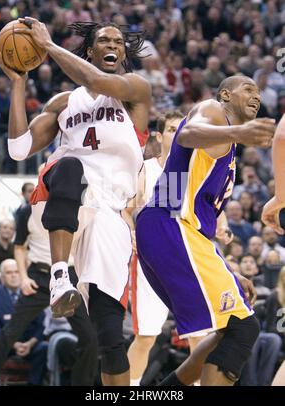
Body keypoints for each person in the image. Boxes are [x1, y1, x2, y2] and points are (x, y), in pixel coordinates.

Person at [0, 19, 151, 386]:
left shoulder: (135, 90)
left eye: (118, 41)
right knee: (69, 165)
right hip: (63, 198)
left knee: (108, 335)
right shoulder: (63, 102)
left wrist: (47, 46)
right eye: (104, 40)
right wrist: (18, 82)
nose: (113, 44)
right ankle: (59, 276)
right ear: (90, 50)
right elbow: (18, 149)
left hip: (109, 212)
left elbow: (97, 82)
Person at [136, 76, 275, 386]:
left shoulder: (229, 141)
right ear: (225, 94)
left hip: (174, 231)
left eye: (258, 91)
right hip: (169, 224)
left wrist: (225, 268)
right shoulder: (213, 111)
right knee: (243, 328)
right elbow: (188, 135)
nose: (256, 95)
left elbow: (200, 219)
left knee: (230, 329)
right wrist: (239, 130)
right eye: (248, 89)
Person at [0, 200, 97, 386]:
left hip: (68, 276)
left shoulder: (81, 208)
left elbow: (87, 247)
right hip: (38, 276)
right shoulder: (28, 210)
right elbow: (19, 246)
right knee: (9, 333)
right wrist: (23, 278)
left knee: (89, 338)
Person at [126, 111, 183, 386]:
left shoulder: (189, 171)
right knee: (146, 336)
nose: (178, 134)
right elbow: (126, 210)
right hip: (149, 261)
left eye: (182, 129)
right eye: (172, 129)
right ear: (159, 136)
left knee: (200, 333)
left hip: (182, 260)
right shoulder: (145, 169)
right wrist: (133, 232)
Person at [0, 259, 48, 386]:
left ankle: (34, 383)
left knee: (44, 347)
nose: (13, 275)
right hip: (3, 343)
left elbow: (41, 324)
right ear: (2, 277)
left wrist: (30, 343)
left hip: (28, 344)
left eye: (17, 272)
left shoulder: (34, 292)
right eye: (9, 273)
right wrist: (13, 344)